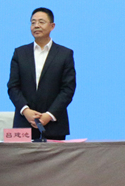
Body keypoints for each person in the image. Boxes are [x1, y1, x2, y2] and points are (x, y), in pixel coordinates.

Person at [8, 8, 76, 141]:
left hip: (54, 125)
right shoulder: (20, 53)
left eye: (41, 22)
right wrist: (26, 111)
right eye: (33, 22)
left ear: (52, 26)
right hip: (24, 124)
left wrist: (49, 115)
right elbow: (13, 87)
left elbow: (68, 89)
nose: (36, 25)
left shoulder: (65, 54)